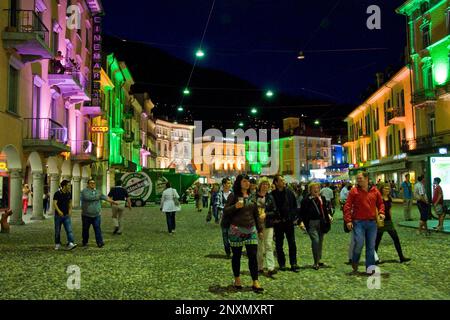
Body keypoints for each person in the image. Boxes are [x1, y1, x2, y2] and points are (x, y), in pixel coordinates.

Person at [223, 174, 263, 293]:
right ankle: (237, 279)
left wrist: (260, 229)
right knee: (236, 256)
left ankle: (255, 281)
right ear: (239, 182)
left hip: (251, 229)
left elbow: (256, 214)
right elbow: (226, 211)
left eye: (248, 181)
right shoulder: (233, 196)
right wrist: (235, 206)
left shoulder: (252, 197)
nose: (247, 183)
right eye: (244, 181)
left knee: (252, 256)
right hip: (236, 230)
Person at [344, 172, 385, 274]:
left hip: (372, 223)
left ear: (367, 179)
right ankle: (355, 260)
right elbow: (347, 206)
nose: (358, 180)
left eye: (360, 178)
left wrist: (381, 212)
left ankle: (370, 269)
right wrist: (348, 220)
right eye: (357, 179)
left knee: (371, 246)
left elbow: (380, 203)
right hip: (358, 222)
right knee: (359, 243)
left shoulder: (375, 190)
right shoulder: (354, 191)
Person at [265, 175, 300, 272]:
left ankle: (293, 263)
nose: (283, 181)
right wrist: (274, 219)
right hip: (278, 223)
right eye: (281, 180)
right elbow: (270, 208)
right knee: (279, 244)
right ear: (276, 182)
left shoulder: (289, 193)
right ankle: (282, 263)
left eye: (283, 180)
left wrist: (293, 218)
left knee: (292, 243)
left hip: (288, 222)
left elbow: (294, 206)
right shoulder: (272, 195)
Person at [299, 182, 333, 270]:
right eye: (314, 188)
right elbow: (302, 212)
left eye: (318, 187)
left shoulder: (322, 198)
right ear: (310, 189)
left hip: (321, 222)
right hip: (311, 223)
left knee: (320, 242)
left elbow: (325, 209)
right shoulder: (306, 199)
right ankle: (315, 262)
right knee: (316, 241)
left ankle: (318, 259)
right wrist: (301, 222)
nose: (316, 189)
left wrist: (328, 215)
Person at [375, 183, 411, 263]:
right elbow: (376, 209)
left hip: (388, 221)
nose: (387, 190)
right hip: (381, 221)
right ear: (381, 189)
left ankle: (401, 257)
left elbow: (390, 209)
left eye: (388, 189)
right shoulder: (378, 198)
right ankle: (374, 258)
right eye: (385, 188)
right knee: (377, 240)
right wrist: (377, 219)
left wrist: (391, 218)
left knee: (396, 238)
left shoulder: (389, 198)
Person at [251, 177, 277, 276]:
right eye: (264, 184)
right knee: (259, 247)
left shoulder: (270, 197)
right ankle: (259, 267)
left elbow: (275, 211)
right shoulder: (253, 197)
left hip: (268, 224)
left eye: (267, 184)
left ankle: (271, 267)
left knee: (269, 245)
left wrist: (266, 214)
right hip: (257, 225)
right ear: (260, 185)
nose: (265, 186)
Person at [81, 179, 117, 248]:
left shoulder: (98, 191)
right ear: (88, 184)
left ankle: (99, 242)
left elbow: (105, 197)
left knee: (97, 228)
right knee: (85, 229)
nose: (92, 184)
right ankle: (85, 242)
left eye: (94, 183)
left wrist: (113, 202)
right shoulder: (84, 191)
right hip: (86, 215)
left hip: (96, 215)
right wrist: (97, 196)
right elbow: (88, 198)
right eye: (91, 183)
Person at [53, 180, 77, 250]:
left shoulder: (69, 193)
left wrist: (70, 211)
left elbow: (70, 203)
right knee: (57, 230)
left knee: (69, 230)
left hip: (66, 215)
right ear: (64, 186)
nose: (70, 186)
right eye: (68, 185)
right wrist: (59, 211)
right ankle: (57, 243)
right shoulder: (57, 193)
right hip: (58, 216)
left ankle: (71, 243)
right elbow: (54, 203)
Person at [217, 178, 233, 258]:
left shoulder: (232, 194)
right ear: (223, 184)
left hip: (233, 218)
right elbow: (218, 205)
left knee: (233, 235)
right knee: (225, 235)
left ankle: (234, 250)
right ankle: (228, 251)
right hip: (224, 218)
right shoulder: (220, 194)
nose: (229, 185)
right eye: (228, 183)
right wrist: (227, 209)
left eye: (230, 183)